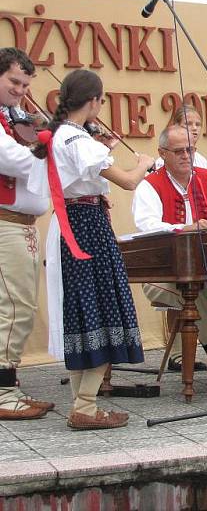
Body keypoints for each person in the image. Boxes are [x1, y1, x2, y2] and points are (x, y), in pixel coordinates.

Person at [30, 69, 154, 429]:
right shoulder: (80, 141)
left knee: (82, 309)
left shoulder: (62, 136)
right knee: (103, 306)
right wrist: (143, 164)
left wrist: (102, 154)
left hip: (70, 223)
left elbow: (82, 173)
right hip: (87, 228)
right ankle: (85, 404)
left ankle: (82, 403)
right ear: (94, 101)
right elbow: (129, 182)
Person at [132, 124, 207, 380]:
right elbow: (147, 227)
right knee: (192, 293)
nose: (185, 156)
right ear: (162, 153)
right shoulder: (149, 185)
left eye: (190, 150)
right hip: (162, 274)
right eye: (178, 151)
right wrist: (186, 227)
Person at [0, 47, 53, 420]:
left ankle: (10, 383)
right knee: (13, 306)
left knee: (22, 306)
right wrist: (53, 145)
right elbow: (15, 160)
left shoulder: (16, 119)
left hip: (24, 225)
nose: (21, 90)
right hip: (5, 223)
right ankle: (2, 392)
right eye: (13, 82)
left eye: (25, 84)